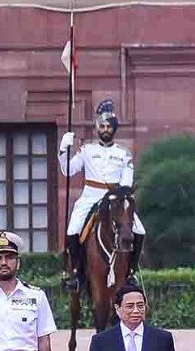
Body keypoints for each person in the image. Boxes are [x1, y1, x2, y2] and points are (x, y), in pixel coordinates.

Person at [59, 97, 144, 290]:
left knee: (139, 230)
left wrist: (120, 194)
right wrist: (64, 149)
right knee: (73, 230)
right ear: (98, 128)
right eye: (102, 126)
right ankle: (76, 274)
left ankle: (130, 272)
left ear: (114, 129)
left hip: (115, 197)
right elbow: (68, 170)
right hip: (90, 196)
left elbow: (127, 181)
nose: (105, 130)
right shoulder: (87, 150)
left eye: (108, 126)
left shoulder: (124, 153)